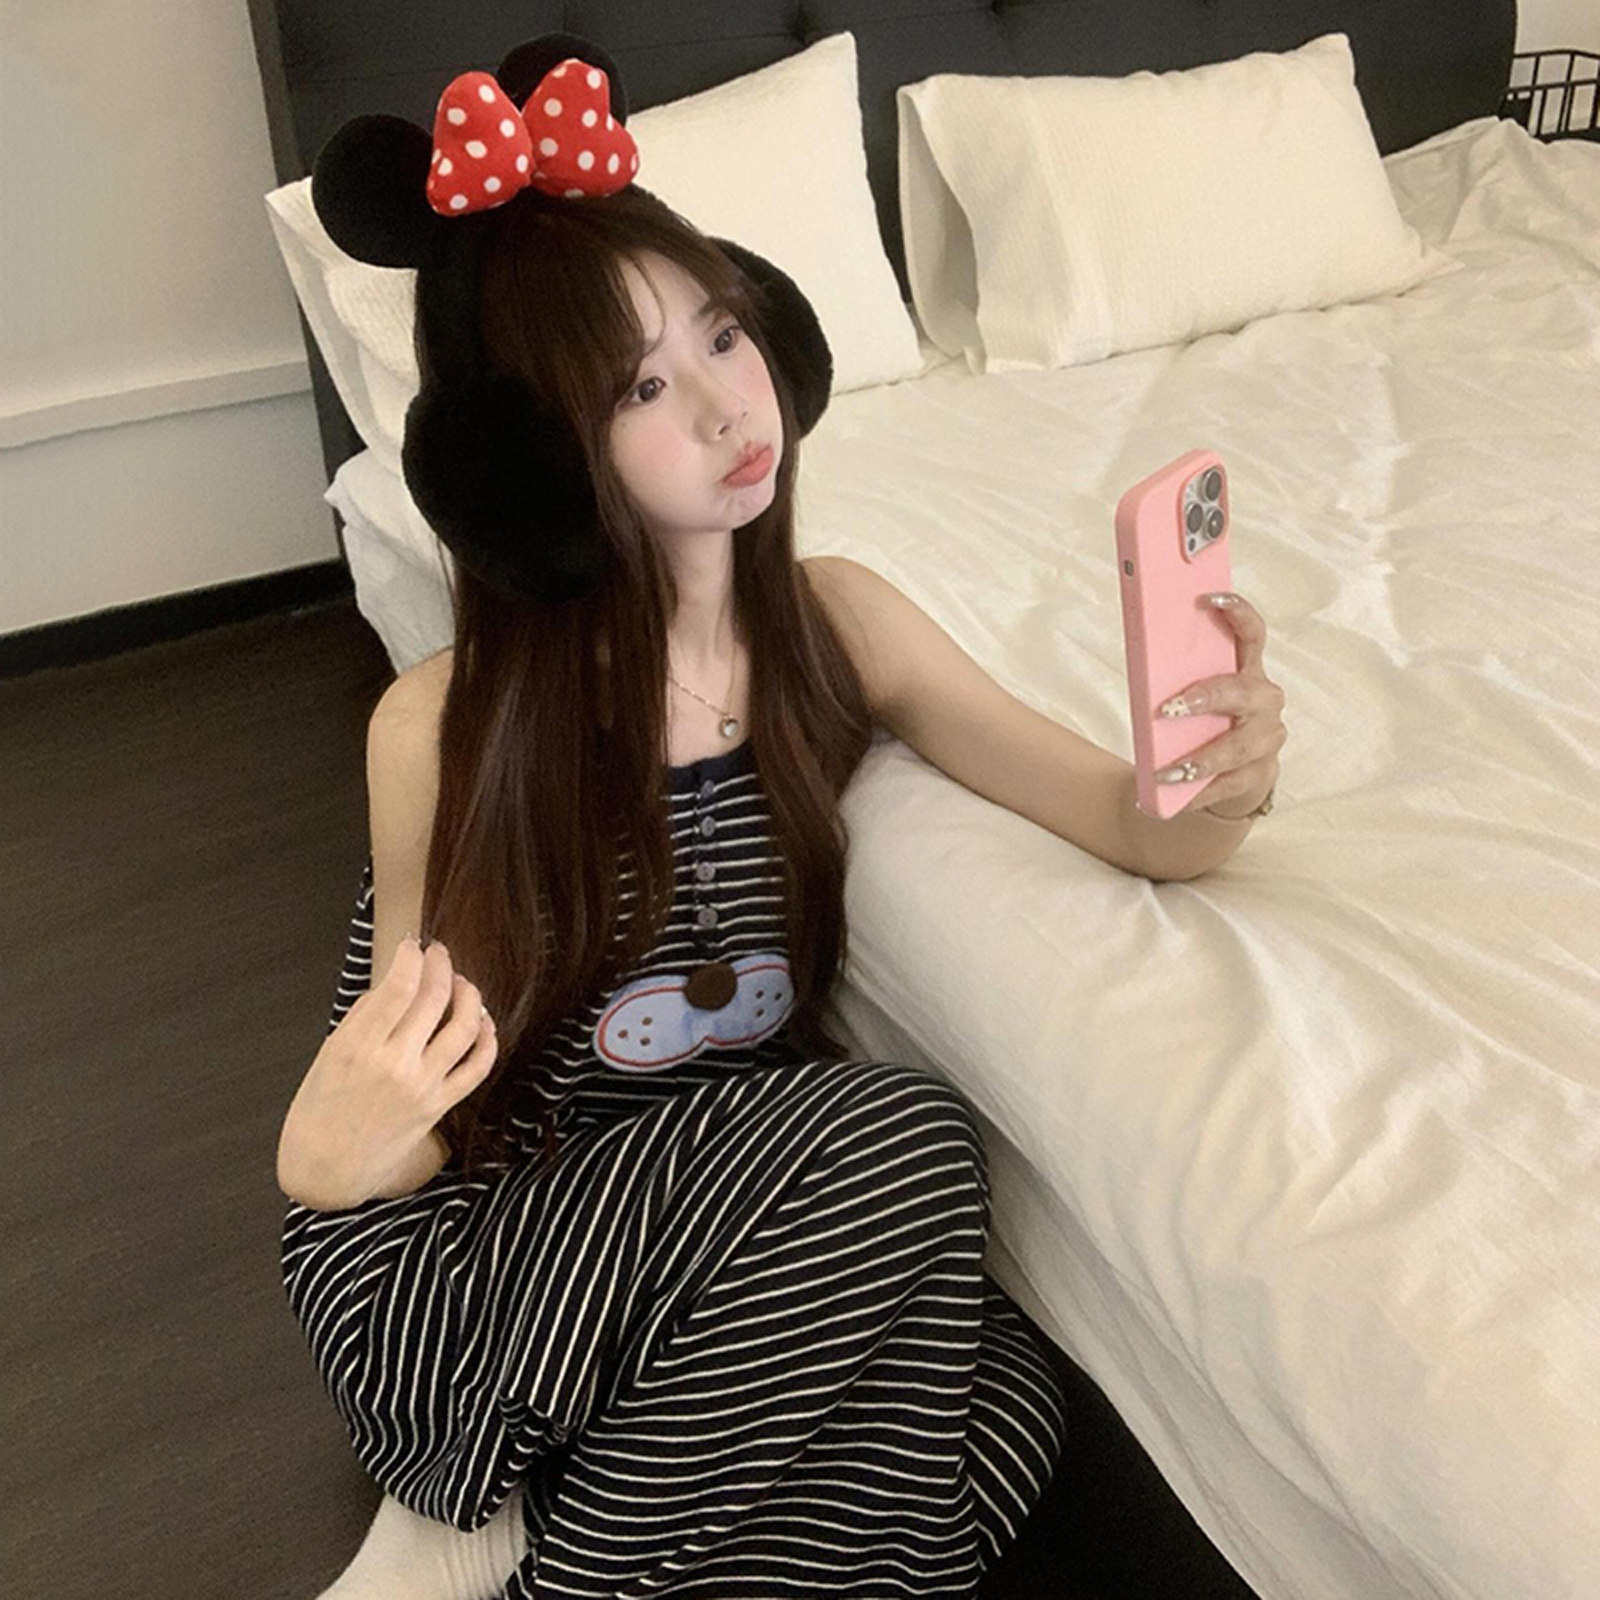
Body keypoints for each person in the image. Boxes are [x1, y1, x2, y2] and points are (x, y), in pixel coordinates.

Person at [275, 31, 1071, 1599]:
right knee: (906, 1142)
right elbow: (409, 1088)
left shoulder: (836, 627)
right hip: (474, 1249)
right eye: (642, 386)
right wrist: (319, 1154)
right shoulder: (439, 728)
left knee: (1015, 1399)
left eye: (721, 334)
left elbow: (1126, 812)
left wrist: (1206, 770)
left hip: (711, 1230)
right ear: (535, 470)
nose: (723, 406)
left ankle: (612, 1534)